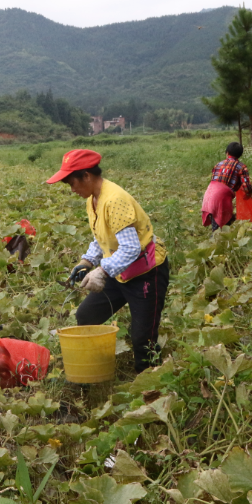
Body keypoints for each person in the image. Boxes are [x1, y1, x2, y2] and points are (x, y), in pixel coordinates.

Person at [47, 149, 170, 373]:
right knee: (87, 315)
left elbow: (131, 248)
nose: (72, 189)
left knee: (143, 336)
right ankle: (95, 365)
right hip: (119, 270)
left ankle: (150, 384)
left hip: (145, 272)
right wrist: (87, 261)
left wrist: (102, 271)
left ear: (87, 176)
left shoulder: (115, 200)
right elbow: (101, 237)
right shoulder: (92, 199)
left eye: (72, 183)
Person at [202, 142, 252, 231]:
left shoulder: (218, 164)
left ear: (227, 153)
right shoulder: (241, 167)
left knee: (222, 224)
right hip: (220, 200)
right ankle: (216, 242)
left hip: (208, 197)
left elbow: (215, 180)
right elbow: (247, 187)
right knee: (218, 230)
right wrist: (249, 193)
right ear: (240, 155)